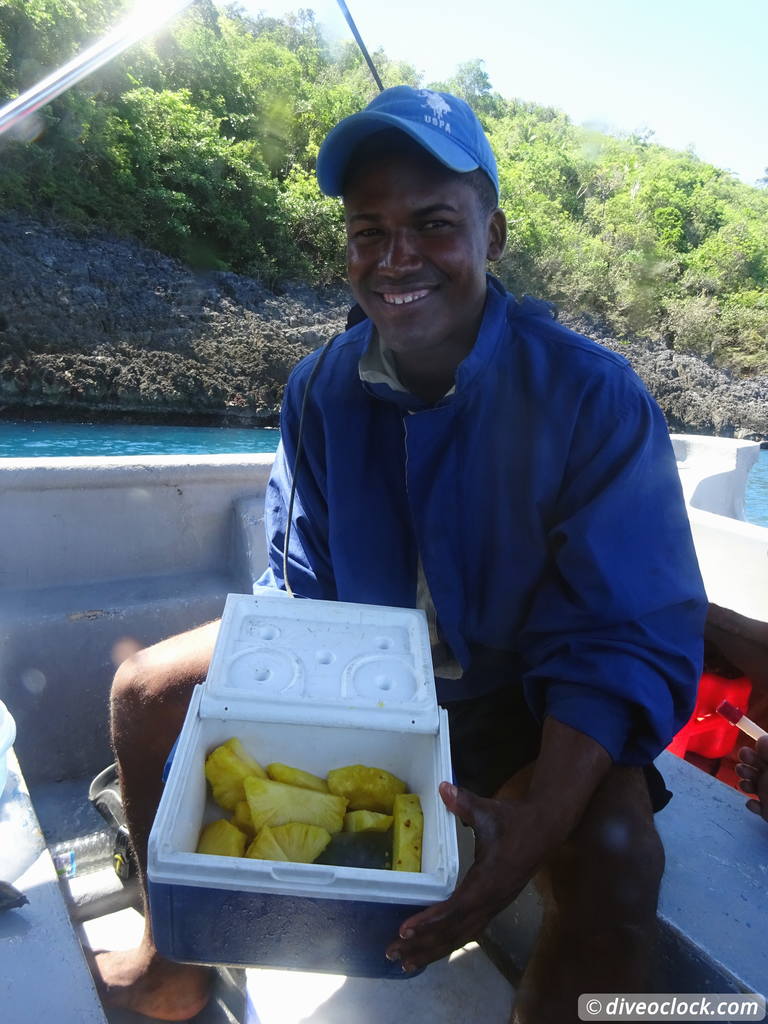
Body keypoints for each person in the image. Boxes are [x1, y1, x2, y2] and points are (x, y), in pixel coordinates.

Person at [95, 87, 708, 1023]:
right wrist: (313, 731)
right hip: (363, 679)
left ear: (493, 236)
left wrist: (533, 822)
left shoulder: (593, 397)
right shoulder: (319, 390)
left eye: (433, 224)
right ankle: (173, 957)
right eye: (367, 229)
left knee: (618, 854)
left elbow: (621, 636)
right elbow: (300, 587)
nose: (396, 258)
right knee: (145, 694)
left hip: (522, 697)